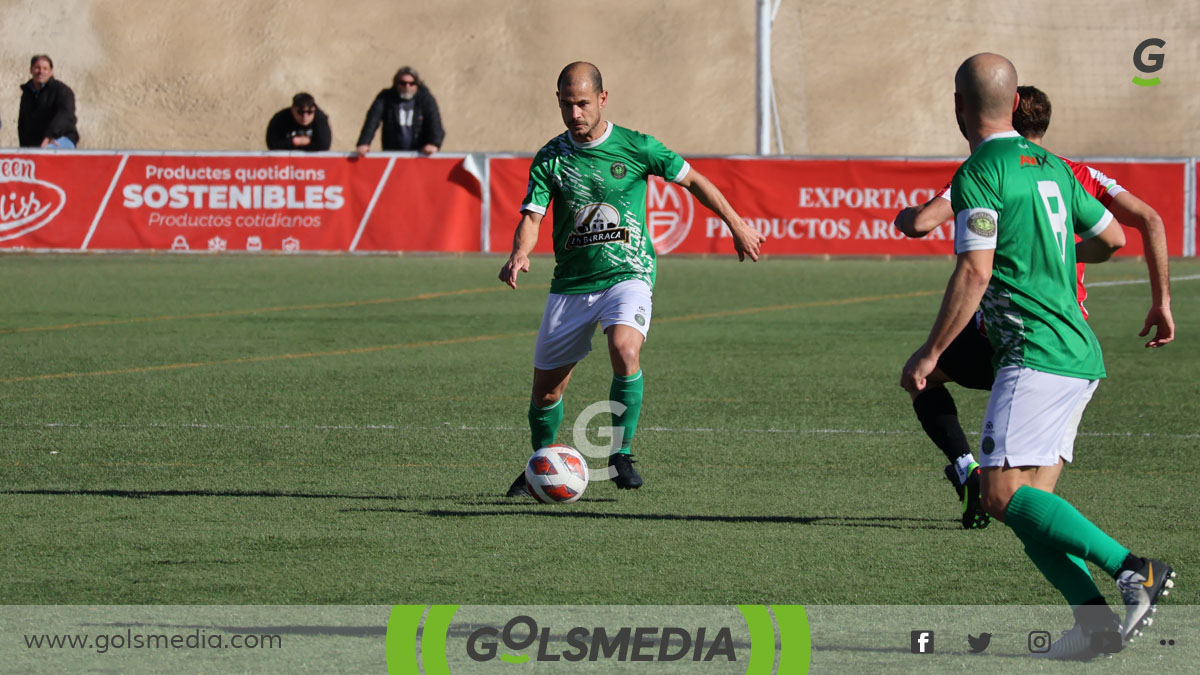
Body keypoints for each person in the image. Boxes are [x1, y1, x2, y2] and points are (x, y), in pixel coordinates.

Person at [901, 54, 1175, 660]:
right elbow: (1111, 239)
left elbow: (974, 271)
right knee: (1029, 509)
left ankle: (1135, 570)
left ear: (958, 106)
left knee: (999, 495)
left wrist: (931, 351)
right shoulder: (1053, 165)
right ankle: (1097, 626)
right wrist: (1054, 253)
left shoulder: (979, 170)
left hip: (1034, 353)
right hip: (1078, 349)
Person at [500, 62, 764, 496]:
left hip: (628, 272)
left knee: (624, 349)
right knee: (546, 394)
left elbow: (693, 179)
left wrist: (735, 224)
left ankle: (620, 453)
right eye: (567, 104)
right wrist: (520, 253)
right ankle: (539, 464)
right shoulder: (551, 157)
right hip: (571, 285)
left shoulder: (636, 146)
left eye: (583, 103)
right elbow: (532, 215)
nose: (575, 113)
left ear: (603, 99)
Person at [355, 66, 444, 157]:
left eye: (411, 83)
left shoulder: (426, 99)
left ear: (417, 85)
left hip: (419, 155)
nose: (407, 86)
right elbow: (372, 120)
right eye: (403, 83)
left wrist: (434, 143)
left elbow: (434, 122)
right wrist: (364, 143)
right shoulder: (386, 98)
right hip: (393, 155)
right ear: (396, 84)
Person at [18, 55, 79, 148]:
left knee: (48, 151)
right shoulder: (27, 93)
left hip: (61, 138)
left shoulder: (62, 90)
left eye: (45, 68)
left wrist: (49, 136)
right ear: (31, 70)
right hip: (38, 143)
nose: (41, 71)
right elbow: (23, 123)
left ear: (51, 72)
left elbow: (64, 115)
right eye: (37, 68)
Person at [265, 92, 332, 151]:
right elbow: (273, 145)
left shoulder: (320, 118)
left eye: (309, 112)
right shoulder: (280, 118)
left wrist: (291, 143)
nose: (305, 116)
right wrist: (295, 141)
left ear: (314, 109)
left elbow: (324, 146)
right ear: (292, 110)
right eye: (300, 112)